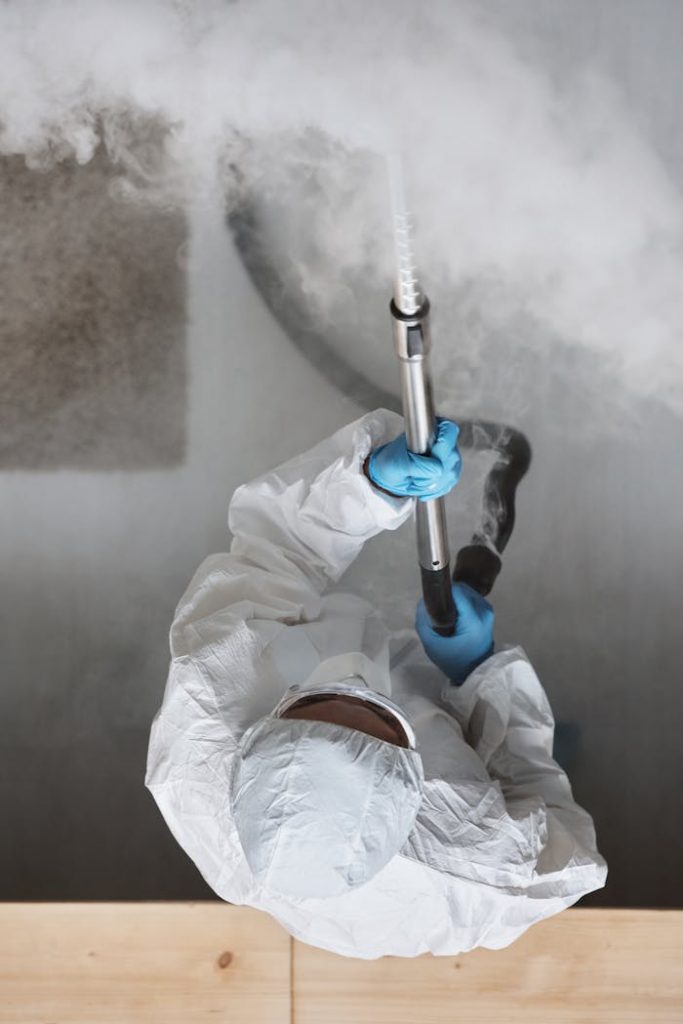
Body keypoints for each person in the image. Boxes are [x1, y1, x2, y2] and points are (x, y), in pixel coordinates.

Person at [146, 409, 606, 959]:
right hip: (470, 765)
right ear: (417, 788)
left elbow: (277, 551)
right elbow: (562, 830)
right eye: (383, 721)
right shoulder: (480, 869)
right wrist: (482, 675)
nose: (360, 684)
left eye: (321, 703)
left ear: (256, 737)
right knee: (546, 753)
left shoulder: (214, 698)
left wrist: (369, 483)